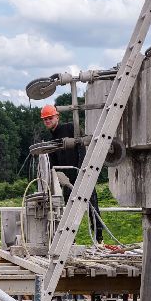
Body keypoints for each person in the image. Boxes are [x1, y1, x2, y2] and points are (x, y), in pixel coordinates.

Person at [41, 103, 105, 244]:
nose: (47, 121)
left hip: (82, 174)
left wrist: (83, 169)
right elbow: (53, 166)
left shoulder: (70, 128)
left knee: (92, 206)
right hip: (67, 180)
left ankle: (99, 239)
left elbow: (81, 145)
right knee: (68, 211)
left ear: (57, 117)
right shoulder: (52, 141)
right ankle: (70, 242)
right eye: (45, 119)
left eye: (50, 118)